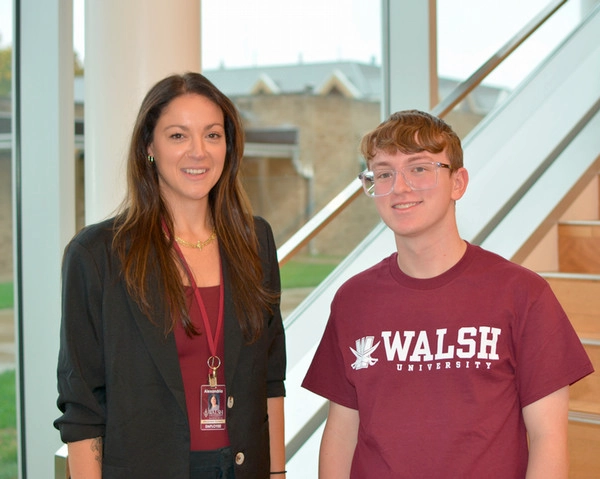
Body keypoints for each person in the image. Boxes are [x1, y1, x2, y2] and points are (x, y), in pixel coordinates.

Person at [302, 110, 594, 478]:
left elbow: (548, 438)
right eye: (384, 173)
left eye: (420, 168)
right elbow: (342, 433)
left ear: (458, 182)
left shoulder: (523, 294)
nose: (400, 187)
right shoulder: (353, 300)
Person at [55, 72, 287, 479]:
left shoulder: (256, 241)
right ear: (149, 147)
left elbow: (270, 378)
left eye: (213, 135)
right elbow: (82, 407)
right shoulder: (97, 255)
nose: (198, 151)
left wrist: (278, 474)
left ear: (228, 147)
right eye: (178, 136)